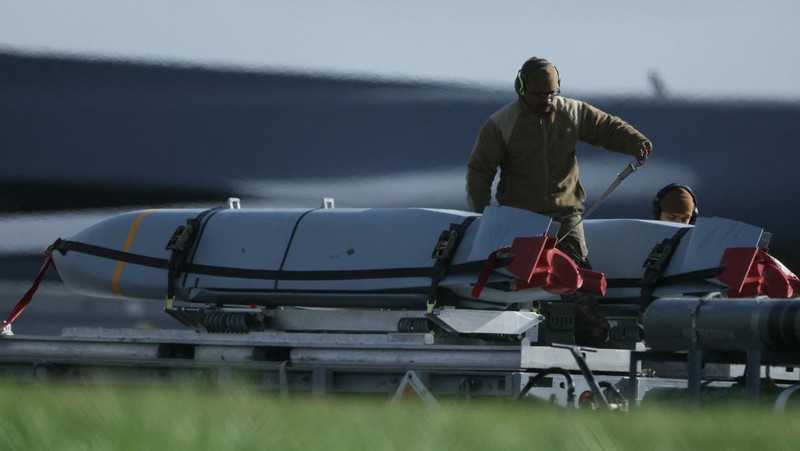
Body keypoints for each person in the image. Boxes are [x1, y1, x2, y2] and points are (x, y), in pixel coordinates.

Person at [466, 56, 653, 347]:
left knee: (577, 279)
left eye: (552, 93)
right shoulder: (501, 124)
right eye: (539, 94)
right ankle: (505, 340)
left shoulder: (572, 112)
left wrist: (635, 141)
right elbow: (480, 171)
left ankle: (592, 343)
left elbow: (607, 128)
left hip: (565, 215)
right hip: (519, 218)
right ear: (521, 89)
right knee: (513, 284)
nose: (546, 100)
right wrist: (483, 215)